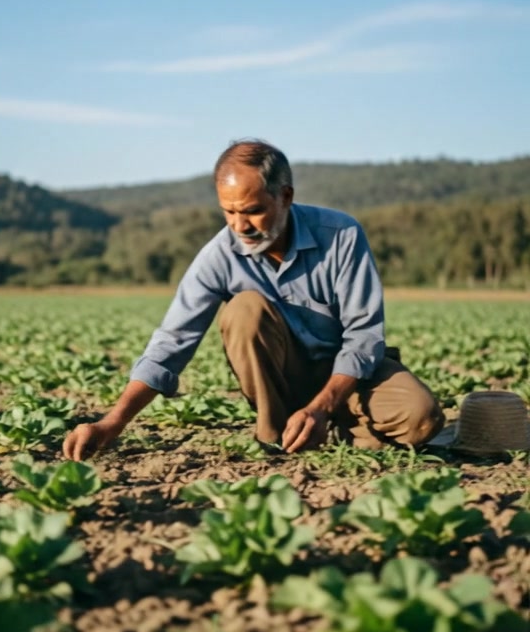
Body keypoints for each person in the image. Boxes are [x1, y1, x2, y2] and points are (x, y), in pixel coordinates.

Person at [62, 139, 444, 460]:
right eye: (228, 211)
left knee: (421, 419)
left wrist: (321, 407)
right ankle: (278, 433)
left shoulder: (341, 235)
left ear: (286, 196)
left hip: (347, 378)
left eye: (253, 211)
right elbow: (171, 343)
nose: (240, 226)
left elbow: (363, 336)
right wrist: (112, 423)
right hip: (282, 385)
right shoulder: (218, 256)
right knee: (245, 309)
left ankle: (320, 426)